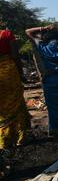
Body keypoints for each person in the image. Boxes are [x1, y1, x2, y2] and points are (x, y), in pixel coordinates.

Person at [26, 25, 58, 139]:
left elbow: (28, 31)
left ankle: (53, 132)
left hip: (50, 82)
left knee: (53, 108)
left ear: (45, 38)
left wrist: (43, 28)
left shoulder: (42, 47)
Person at [0, 24, 31, 160]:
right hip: (8, 72)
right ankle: (20, 138)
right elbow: (15, 56)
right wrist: (21, 74)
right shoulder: (6, 34)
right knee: (16, 103)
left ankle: (4, 141)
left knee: (2, 109)